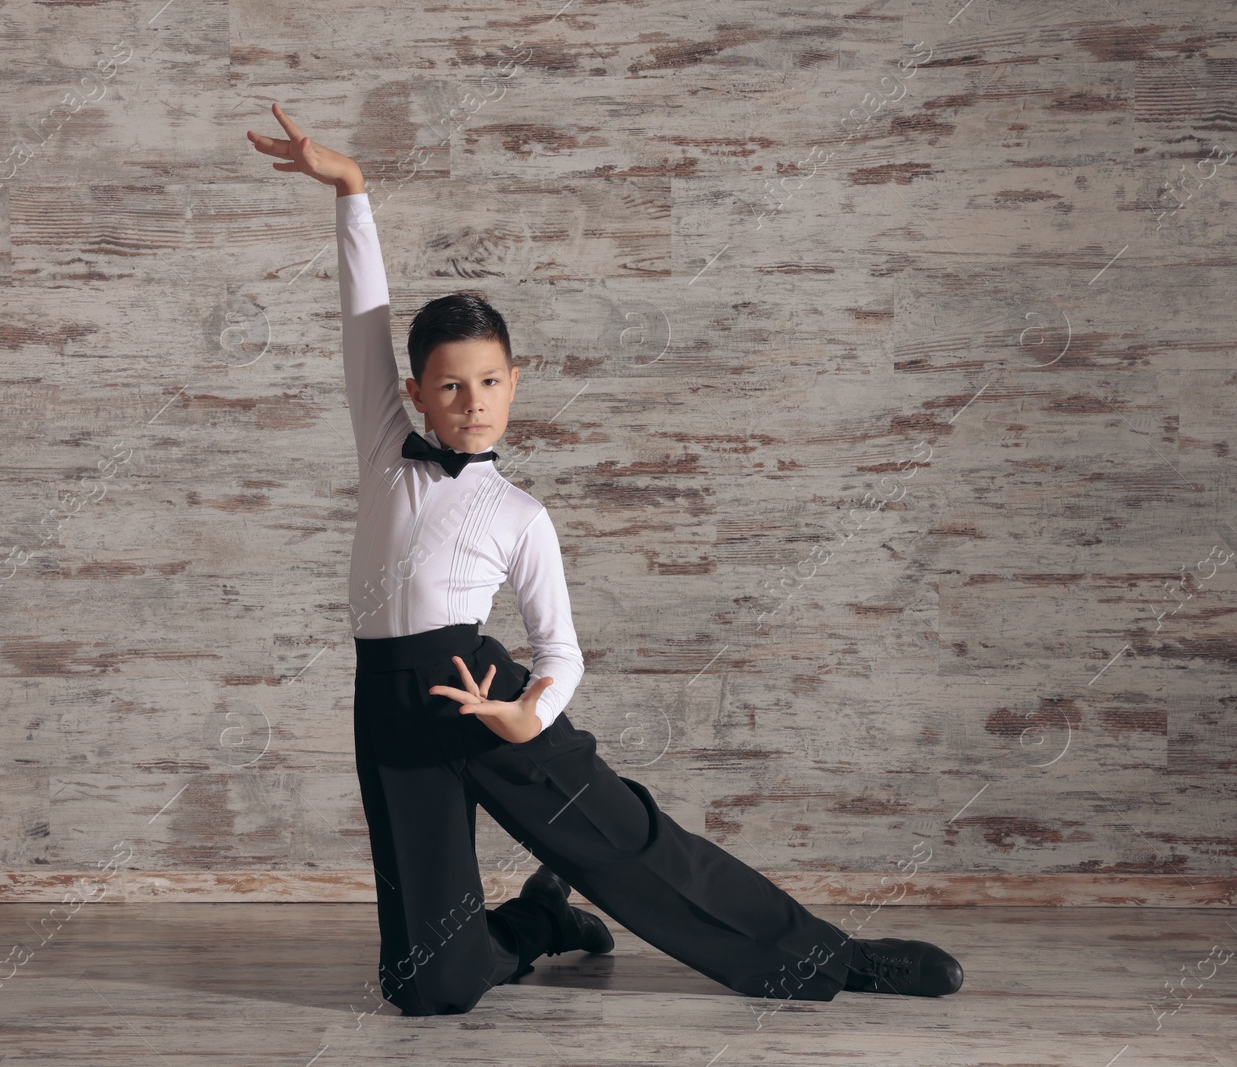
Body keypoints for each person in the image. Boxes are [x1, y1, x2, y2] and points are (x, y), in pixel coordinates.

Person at [246, 102, 964, 1017]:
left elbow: (562, 649)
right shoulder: (388, 452)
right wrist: (351, 190)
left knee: (630, 848)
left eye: (492, 381)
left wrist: (526, 713)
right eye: (452, 385)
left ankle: (833, 954)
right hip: (391, 709)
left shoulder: (520, 514)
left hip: (489, 693)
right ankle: (542, 920)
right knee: (428, 986)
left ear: (516, 382)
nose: (474, 402)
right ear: (416, 395)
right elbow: (364, 317)